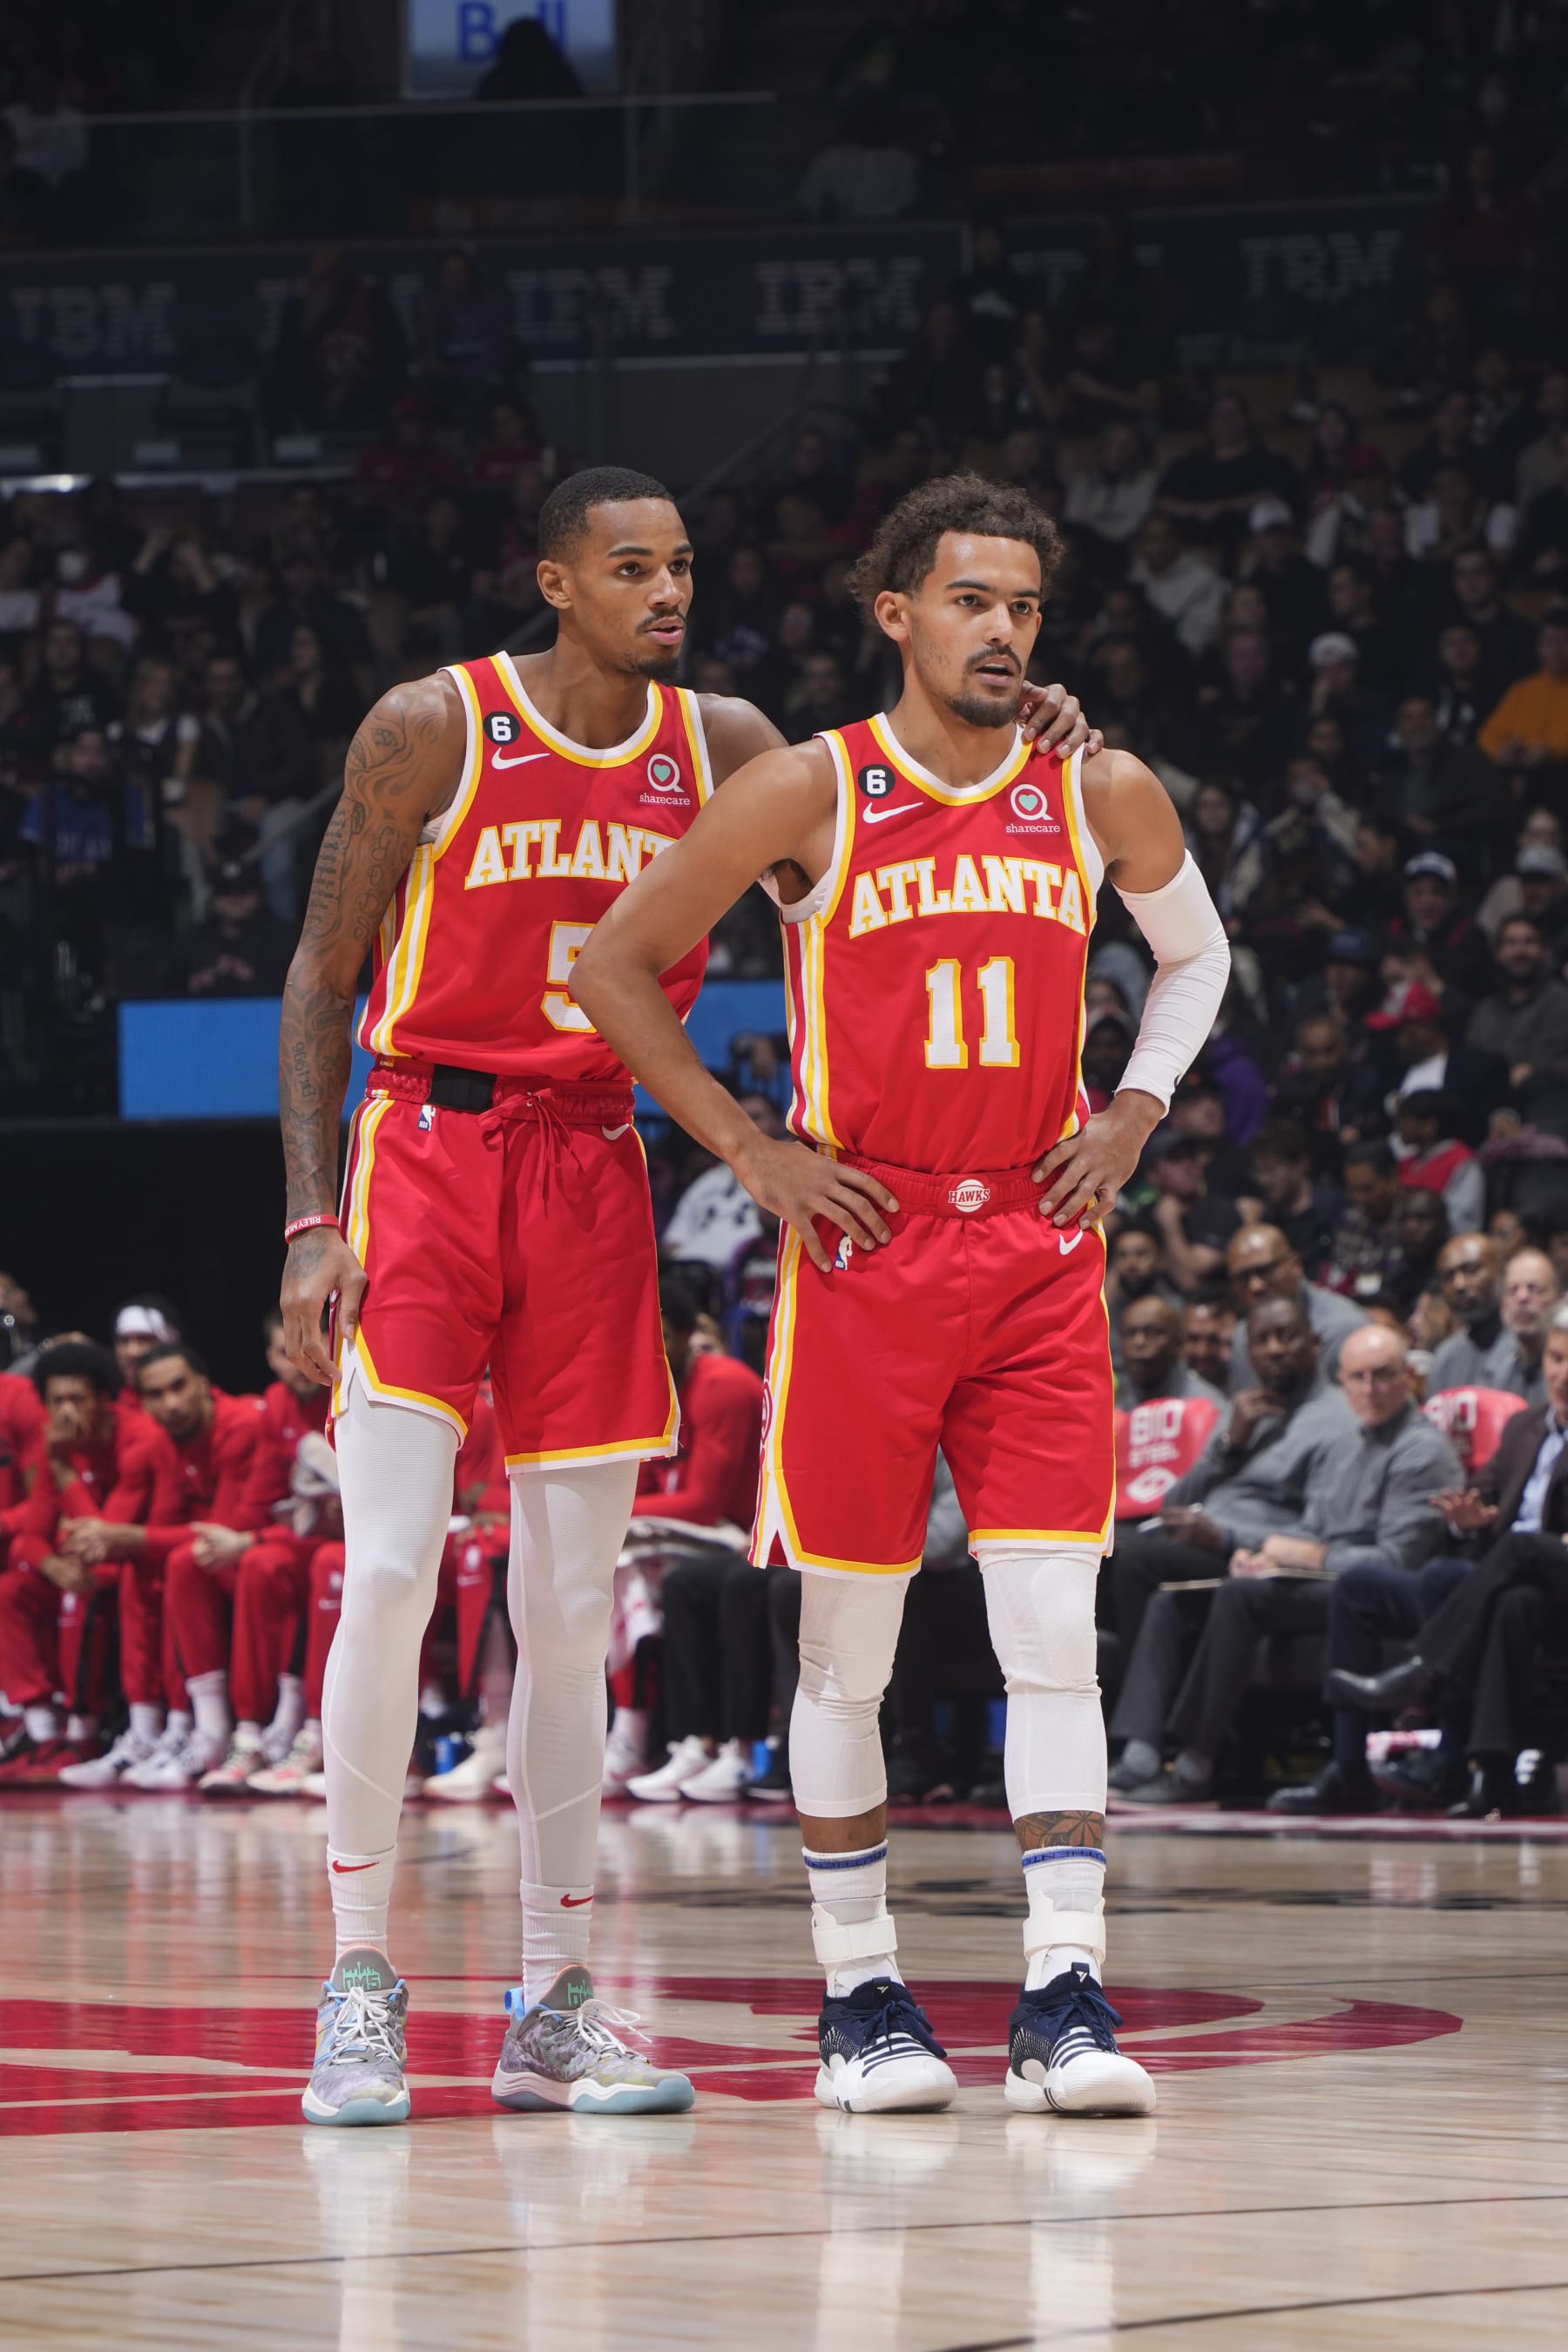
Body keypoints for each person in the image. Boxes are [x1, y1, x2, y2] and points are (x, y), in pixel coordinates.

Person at [274, 455, 1110, 2126]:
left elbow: (900, 838)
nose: (671, 592)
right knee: (387, 1576)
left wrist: (1040, 747)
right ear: (556, 578)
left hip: (597, 1165)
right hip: (426, 1153)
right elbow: (319, 969)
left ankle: (556, 1994)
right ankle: (358, 1975)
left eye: (685, 568)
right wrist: (310, 1216)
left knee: (572, 1606)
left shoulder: (724, 746)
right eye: (634, 567)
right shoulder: (429, 726)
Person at [573, 470, 1232, 2119]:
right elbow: (608, 965)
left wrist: (1137, 1107)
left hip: (1035, 1252)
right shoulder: (812, 789)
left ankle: (1065, 1992)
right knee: (849, 1657)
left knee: (1052, 1641)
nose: (1002, 630)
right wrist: (750, 1148)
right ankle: (860, 1992)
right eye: (970, 601)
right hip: (864, 1252)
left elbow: (1200, 957)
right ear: (897, 614)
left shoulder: (1096, 790)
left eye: (1022, 606)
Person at [1119, 1326, 1459, 1806]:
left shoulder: (1422, 1451)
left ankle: (1196, 1764)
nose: (1369, 1388)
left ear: (1408, 1379)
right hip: (1316, 1578)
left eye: (1382, 1375)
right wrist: (1262, 1554)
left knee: (1240, 1597)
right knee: (1176, 1599)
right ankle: (1140, 1755)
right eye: (1357, 1377)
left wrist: (1307, 1556)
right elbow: (1310, 1526)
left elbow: (1396, 1563)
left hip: (1369, 1593)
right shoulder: (1350, 1443)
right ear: (1342, 1381)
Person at [1321, 1301, 1568, 1817]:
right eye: (1556, 1359)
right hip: (1517, 1584)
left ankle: (1425, 1668)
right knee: (1458, 1587)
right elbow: (1480, 1493)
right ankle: (1481, 1773)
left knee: (1519, 1548)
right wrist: (1467, 1518)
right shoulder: (1525, 1427)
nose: (1562, 1374)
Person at [0, 1342, 180, 1784]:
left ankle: (83, 1734)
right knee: (10, 1591)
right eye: (56, 1401)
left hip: (139, 1558)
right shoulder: (56, 1443)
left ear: (103, 1400)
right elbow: (34, 1537)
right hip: (89, 1563)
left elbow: (105, 1534)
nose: (65, 1412)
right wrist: (50, 1567)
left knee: (86, 1588)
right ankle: (43, 1732)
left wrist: (64, 1471)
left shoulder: (139, 1438)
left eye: (76, 1399)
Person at [617, 1276, 767, 1802]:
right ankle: (678, 1741)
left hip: (742, 1531)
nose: (648, 1348)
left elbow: (704, 1501)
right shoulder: (652, 1389)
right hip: (689, 1535)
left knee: (629, 1570)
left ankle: (634, 1738)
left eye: (658, 1334)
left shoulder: (721, 1384)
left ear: (682, 1335)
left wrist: (611, 1512)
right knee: (607, 1563)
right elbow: (642, 1483)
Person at [1226, 1223, 1366, 1389]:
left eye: (1265, 1271)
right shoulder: (1243, 1336)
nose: (1256, 1286)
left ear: (1296, 1265)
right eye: (1243, 1278)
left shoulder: (1344, 1330)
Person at [1120, 1295, 1225, 1409]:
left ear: (1178, 1343)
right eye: (1130, 1333)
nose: (1139, 1342)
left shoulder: (1206, 1406)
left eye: (1151, 1332)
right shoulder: (1119, 1404)